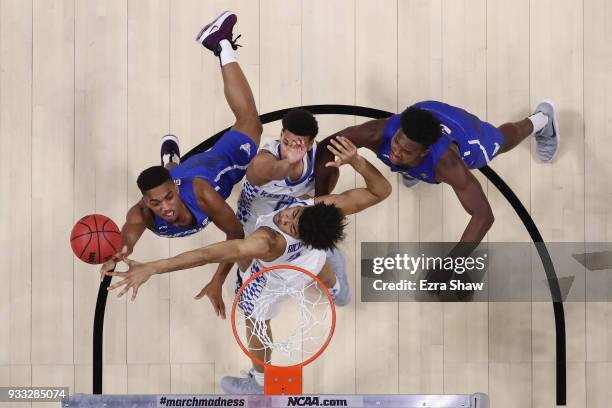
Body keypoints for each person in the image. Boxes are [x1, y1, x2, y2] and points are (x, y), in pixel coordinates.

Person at [102, 136, 392, 393]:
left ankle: (259, 379)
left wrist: (154, 267)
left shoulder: (266, 242)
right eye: (293, 214)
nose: (284, 218)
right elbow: (381, 191)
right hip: (310, 257)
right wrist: (357, 161)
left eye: (290, 224)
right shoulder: (325, 209)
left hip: (275, 276)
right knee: (318, 260)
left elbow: (210, 253)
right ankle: (338, 286)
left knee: (254, 318)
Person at [98, 11, 262, 290]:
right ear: (146, 202)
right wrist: (119, 252)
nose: (165, 208)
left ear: (175, 191)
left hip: (217, 164)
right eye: (156, 203)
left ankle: (220, 43)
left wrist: (218, 280)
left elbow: (235, 234)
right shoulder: (143, 213)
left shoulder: (203, 194)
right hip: (180, 175)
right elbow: (129, 235)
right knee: (172, 174)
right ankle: (171, 162)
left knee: (251, 123)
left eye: (168, 198)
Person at [315, 100, 559, 253]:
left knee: (500, 141)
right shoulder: (376, 133)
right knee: (399, 160)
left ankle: (542, 120)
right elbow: (327, 146)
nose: (395, 150)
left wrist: (452, 263)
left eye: (406, 150)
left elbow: (483, 215)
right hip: (424, 118)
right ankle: (412, 170)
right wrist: (320, 201)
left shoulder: (448, 164)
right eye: (397, 142)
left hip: (464, 133)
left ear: (425, 151)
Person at [197, 108, 349, 318]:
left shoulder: (317, 158)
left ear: (311, 144)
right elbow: (274, 170)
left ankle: (333, 282)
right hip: (257, 222)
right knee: (249, 261)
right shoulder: (263, 162)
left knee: (315, 257)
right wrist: (291, 161)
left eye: (297, 145)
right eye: (286, 142)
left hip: (294, 217)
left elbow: (326, 189)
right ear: (281, 135)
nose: (289, 149)